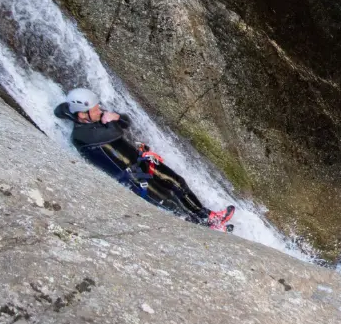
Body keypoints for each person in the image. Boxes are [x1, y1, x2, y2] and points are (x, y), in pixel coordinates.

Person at [54, 88, 235, 231]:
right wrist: (112, 119)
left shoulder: (94, 118)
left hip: (141, 162)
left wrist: (116, 117)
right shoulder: (81, 135)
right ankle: (205, 228)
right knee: (170, 202)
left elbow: (125, 122)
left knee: (178, 183)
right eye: (94, 109)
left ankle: (208, 216)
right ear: (82, 114)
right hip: (133, 179)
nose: (99, 110)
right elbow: (114, 132)